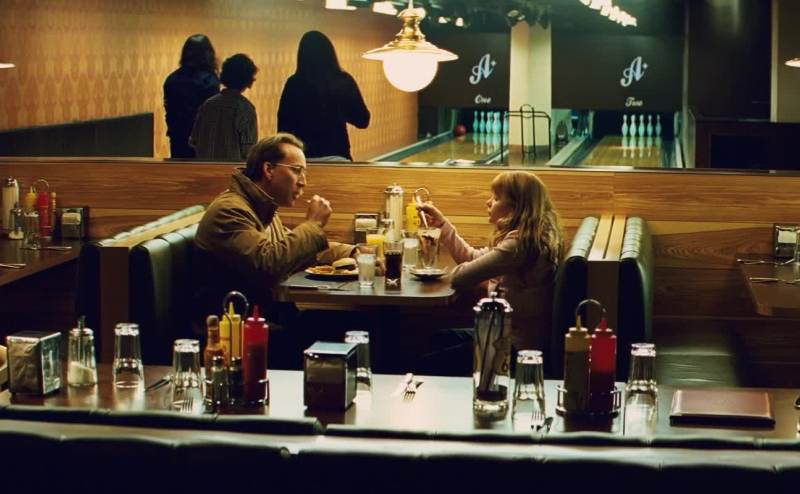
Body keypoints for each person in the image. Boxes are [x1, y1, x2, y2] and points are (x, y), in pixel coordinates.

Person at [193, 132, 354, 323]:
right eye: (296, 170)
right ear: (268, 169)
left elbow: (295, 250)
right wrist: (313, 224)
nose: (303, 181)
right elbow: (268, 264)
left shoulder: (261, 206)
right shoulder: (230, 211)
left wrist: (353, 252)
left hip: (266, 315)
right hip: (239, 324)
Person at [417, 171, 563, 373]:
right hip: (504, 336)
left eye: (496, 198)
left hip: (514, 349)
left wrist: (458, 272)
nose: (488, 202)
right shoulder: (528, 238)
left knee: (425, 363)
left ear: (516, 207)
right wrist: (442, 226)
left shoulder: (520, 245)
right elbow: (472, 257)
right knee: (437, 338)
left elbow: (461, 278)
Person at [277, 31, 370, 161]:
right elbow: (362, 121)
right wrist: (339, 110)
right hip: (338, 155)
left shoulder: (294, 83)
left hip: (303, 158)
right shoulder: (343, 81)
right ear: (330, 54)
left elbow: (283, 128)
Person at [190, 53, 258, 161]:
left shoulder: (208, 104)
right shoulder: (245, 109)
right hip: (231, 169)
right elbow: (248, 150)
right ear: (248, 79)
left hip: (203, 167)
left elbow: (194, 141)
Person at [163, 34, 220, 159]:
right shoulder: (210, 81)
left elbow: (169, 112)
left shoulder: (172, 79)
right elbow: (212, 117)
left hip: (178, 137)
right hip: (204, 141)